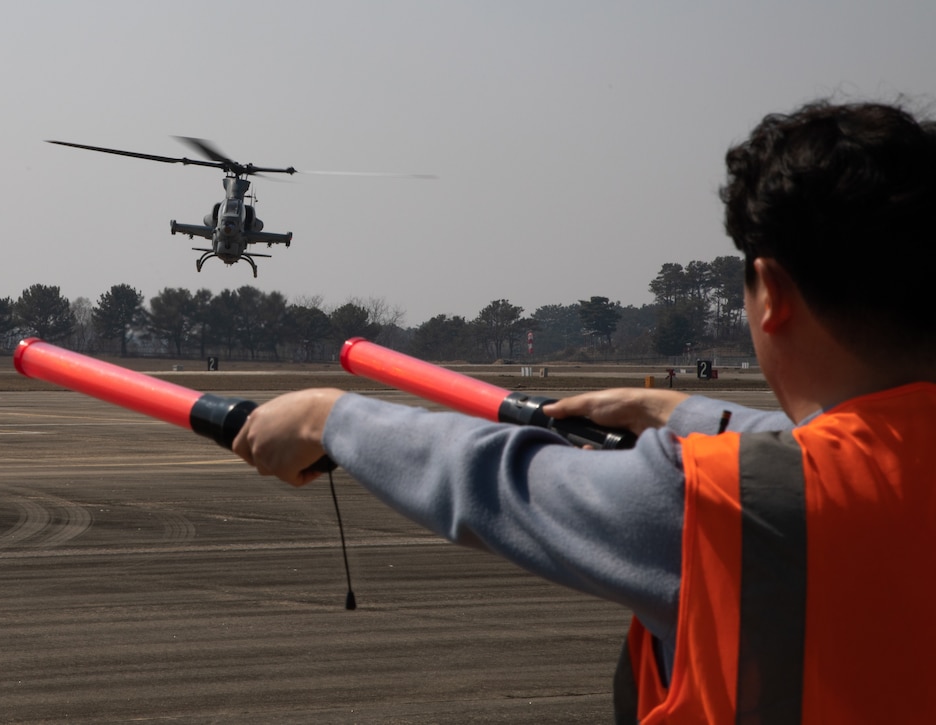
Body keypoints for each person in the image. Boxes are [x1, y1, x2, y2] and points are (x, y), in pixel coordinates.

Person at [232, 99, 936, 723]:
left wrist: (330, 418)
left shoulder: (716, 500)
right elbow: (850, 455)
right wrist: (673, 409)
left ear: (771, 293)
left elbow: (498, 484)